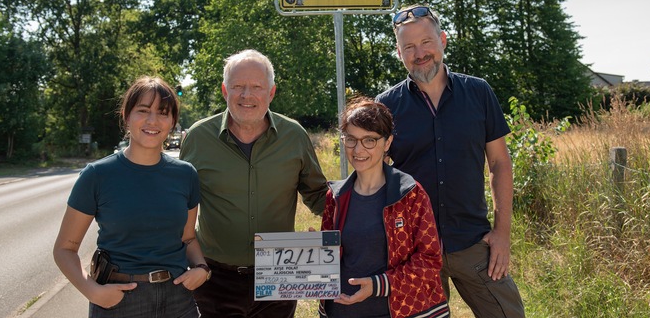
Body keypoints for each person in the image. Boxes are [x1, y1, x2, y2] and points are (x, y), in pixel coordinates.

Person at [376, 5, 525, 317]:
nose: (420, 53)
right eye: (409, 47)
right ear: (398, 52)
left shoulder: (478, 92)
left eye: (427, 42)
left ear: (443, 40)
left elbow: (499, 163)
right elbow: (372, 177)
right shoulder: (386, 106)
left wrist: (502, 234)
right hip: (414, 250)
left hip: (472, 242)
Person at [180, 49, 328, 318]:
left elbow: (318, 195)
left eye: (257, 87)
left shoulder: (294, 135)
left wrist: (353, 213)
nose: (247, 95)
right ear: (225, 91)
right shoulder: (198, 138)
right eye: (238, 86)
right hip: (214, 276)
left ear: (270, 93)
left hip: (280, 269)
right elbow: (177, 203)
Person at [53, 76, 208, 318]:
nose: (152, 120)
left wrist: (202, 268)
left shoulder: (185, 174)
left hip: (178, 299)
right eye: (143, 110)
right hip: (120, 302)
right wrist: (92, 291)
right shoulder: (97, 175)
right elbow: (64, 249)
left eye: (163, 112)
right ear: (126, 115)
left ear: (173, 122)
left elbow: (188, 238)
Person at [319, 97, 450, 318]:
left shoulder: (410, 194)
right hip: (342, 311)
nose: (358, 149)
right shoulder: (336, 196)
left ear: (387, 142)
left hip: (399, 312)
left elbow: (430, 261)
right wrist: (314, 253)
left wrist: (379, 285)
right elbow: (331, 259)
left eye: (369, 140)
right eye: (351, 139)